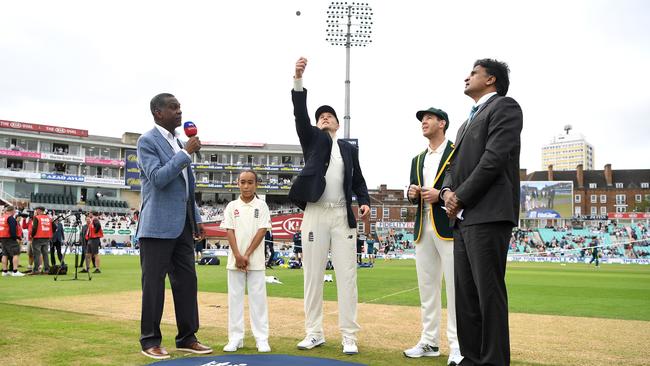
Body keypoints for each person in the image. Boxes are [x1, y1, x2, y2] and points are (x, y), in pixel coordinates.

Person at [441, 59, 523, 366]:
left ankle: (493, 361)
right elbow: (452, 167)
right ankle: (471, 359)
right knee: (466, 298)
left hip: (488, 214)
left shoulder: (505, 107)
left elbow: (493, 159)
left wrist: (460, 196)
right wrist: (448, 193)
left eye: (473, 72)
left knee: (488, 295)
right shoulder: (465, 123)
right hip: (462, 219)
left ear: (491, 80)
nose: (467, 76)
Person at [290, 57, 371, 355]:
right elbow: (300, 115)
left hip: (341, 214)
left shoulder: (349, 149)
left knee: (347, 275)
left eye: (330, 116)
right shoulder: (312, 140)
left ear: (338, 123)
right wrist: (298, 81)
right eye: (320, 116)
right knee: (312, 274)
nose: (325, 118)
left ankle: (349, 335)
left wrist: (363, 203)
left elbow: (359, 181)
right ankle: (314, 332)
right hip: (315, 213)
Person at [136, 92, 212, 360]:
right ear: (158, 112)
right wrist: (185, 153)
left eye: (179, 107)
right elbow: (157, 178)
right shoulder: (147, 141)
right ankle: (150, 341)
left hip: (182, 227)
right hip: (156, 227)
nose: (179, 111)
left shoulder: (178, 142)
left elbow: (187, 189)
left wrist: (197, 219)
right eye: (173, 107)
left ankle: (187, 337)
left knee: (187, 283)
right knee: (154, 286)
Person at [406, 107, 463, 365]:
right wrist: (411, 193)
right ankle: (429, 342)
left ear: (442, 123)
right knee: (427, 289)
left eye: (428, 118)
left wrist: (438, 193)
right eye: (422, 120)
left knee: (454, 289)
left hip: (448, 225)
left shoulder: (457, 151)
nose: (423, 122)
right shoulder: (417, 159)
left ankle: (458, 346)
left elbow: (462, 185)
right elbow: (411, 191)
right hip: (422, 226)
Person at [221, 170, 272, 353]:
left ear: (256, 184)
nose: (246, 186)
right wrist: (238, 256)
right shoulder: (231, 206)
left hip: (255, 261)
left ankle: (261, 338)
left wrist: (247, 255)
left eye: (250, 182)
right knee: (234, 300)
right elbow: (229, 231)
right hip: (235, 262)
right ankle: (235, 338)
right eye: (243, 182)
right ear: (237, 183)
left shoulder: (262, 206)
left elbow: (262, 231)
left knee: (258, 300)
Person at [1, 206, 25, 277]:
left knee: (5, 254)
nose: (15, 212)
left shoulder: (2, 217)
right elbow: (12, 229)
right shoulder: (10, 218)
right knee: (15, 253)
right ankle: (15, 271)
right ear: (12, 211)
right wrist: (16, 238)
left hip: (3, 237)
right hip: (9, 238)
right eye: (14, 211)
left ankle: (5, 271)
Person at [30, 206, 53, 275]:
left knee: (36, 254)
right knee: (45, 254)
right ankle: (47, 269)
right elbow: (55, 227)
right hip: (46, 237)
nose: (35, 211)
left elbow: (34, 228)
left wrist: (32, 235)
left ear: (39, 210)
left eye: (36, 210)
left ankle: (36, 270)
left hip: (37, 237)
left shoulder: (37, 217)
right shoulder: (49, 218)